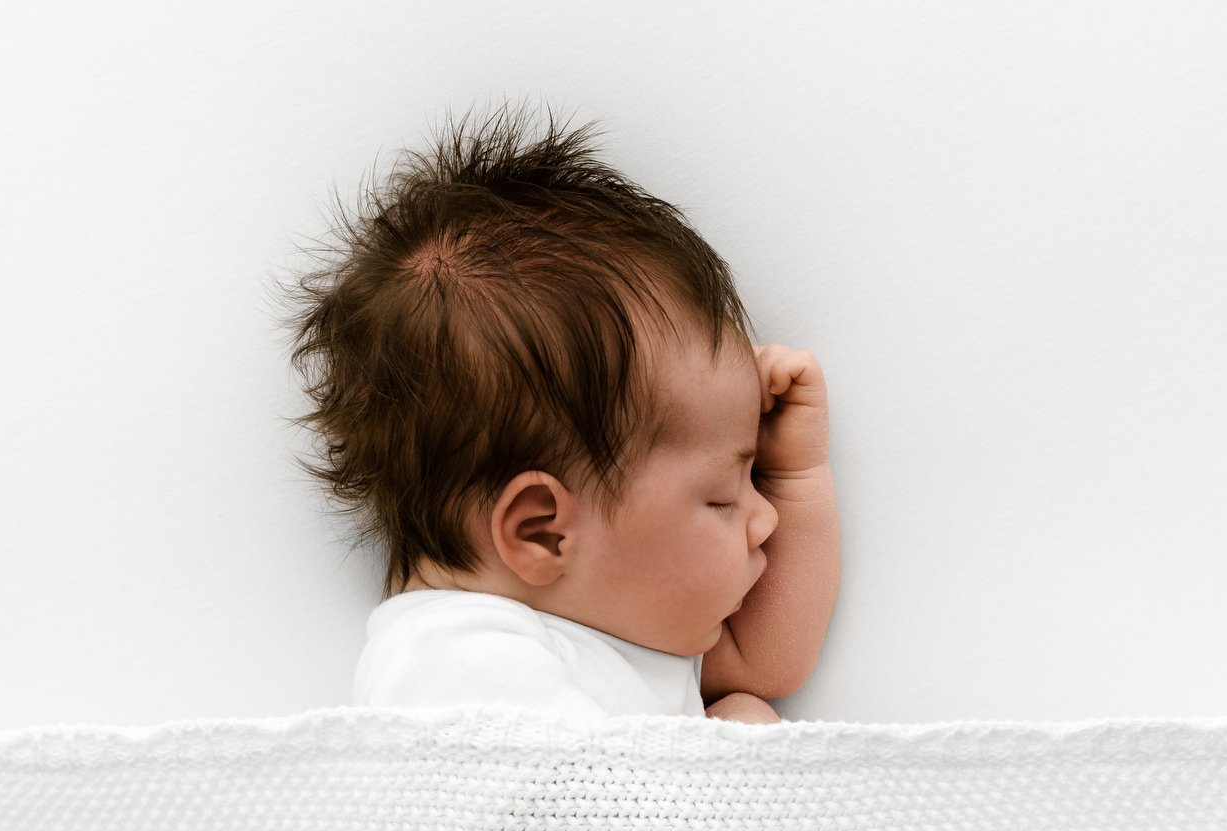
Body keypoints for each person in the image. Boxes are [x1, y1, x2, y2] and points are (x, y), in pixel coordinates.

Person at [289, 105, 839, 724]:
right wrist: (732, 765)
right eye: (721, 498)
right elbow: (565, 820)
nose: (763, 517)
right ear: (544, 530)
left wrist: (797, 476)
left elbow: (768, 664)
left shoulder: (612, 613)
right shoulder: (455, 658)